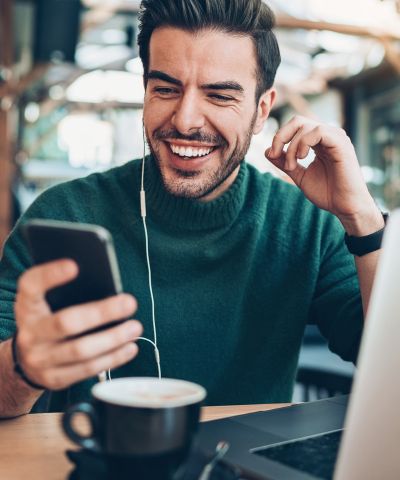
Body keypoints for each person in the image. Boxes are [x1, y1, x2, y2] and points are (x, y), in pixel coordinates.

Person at [0, 0, 385, 417]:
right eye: (165, 89)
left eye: (219, 96)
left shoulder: (307, 225)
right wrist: (23, 367)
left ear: (261, 111)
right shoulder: (62, 214)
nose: (184, 121)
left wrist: (362, 218)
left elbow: (390, 367)